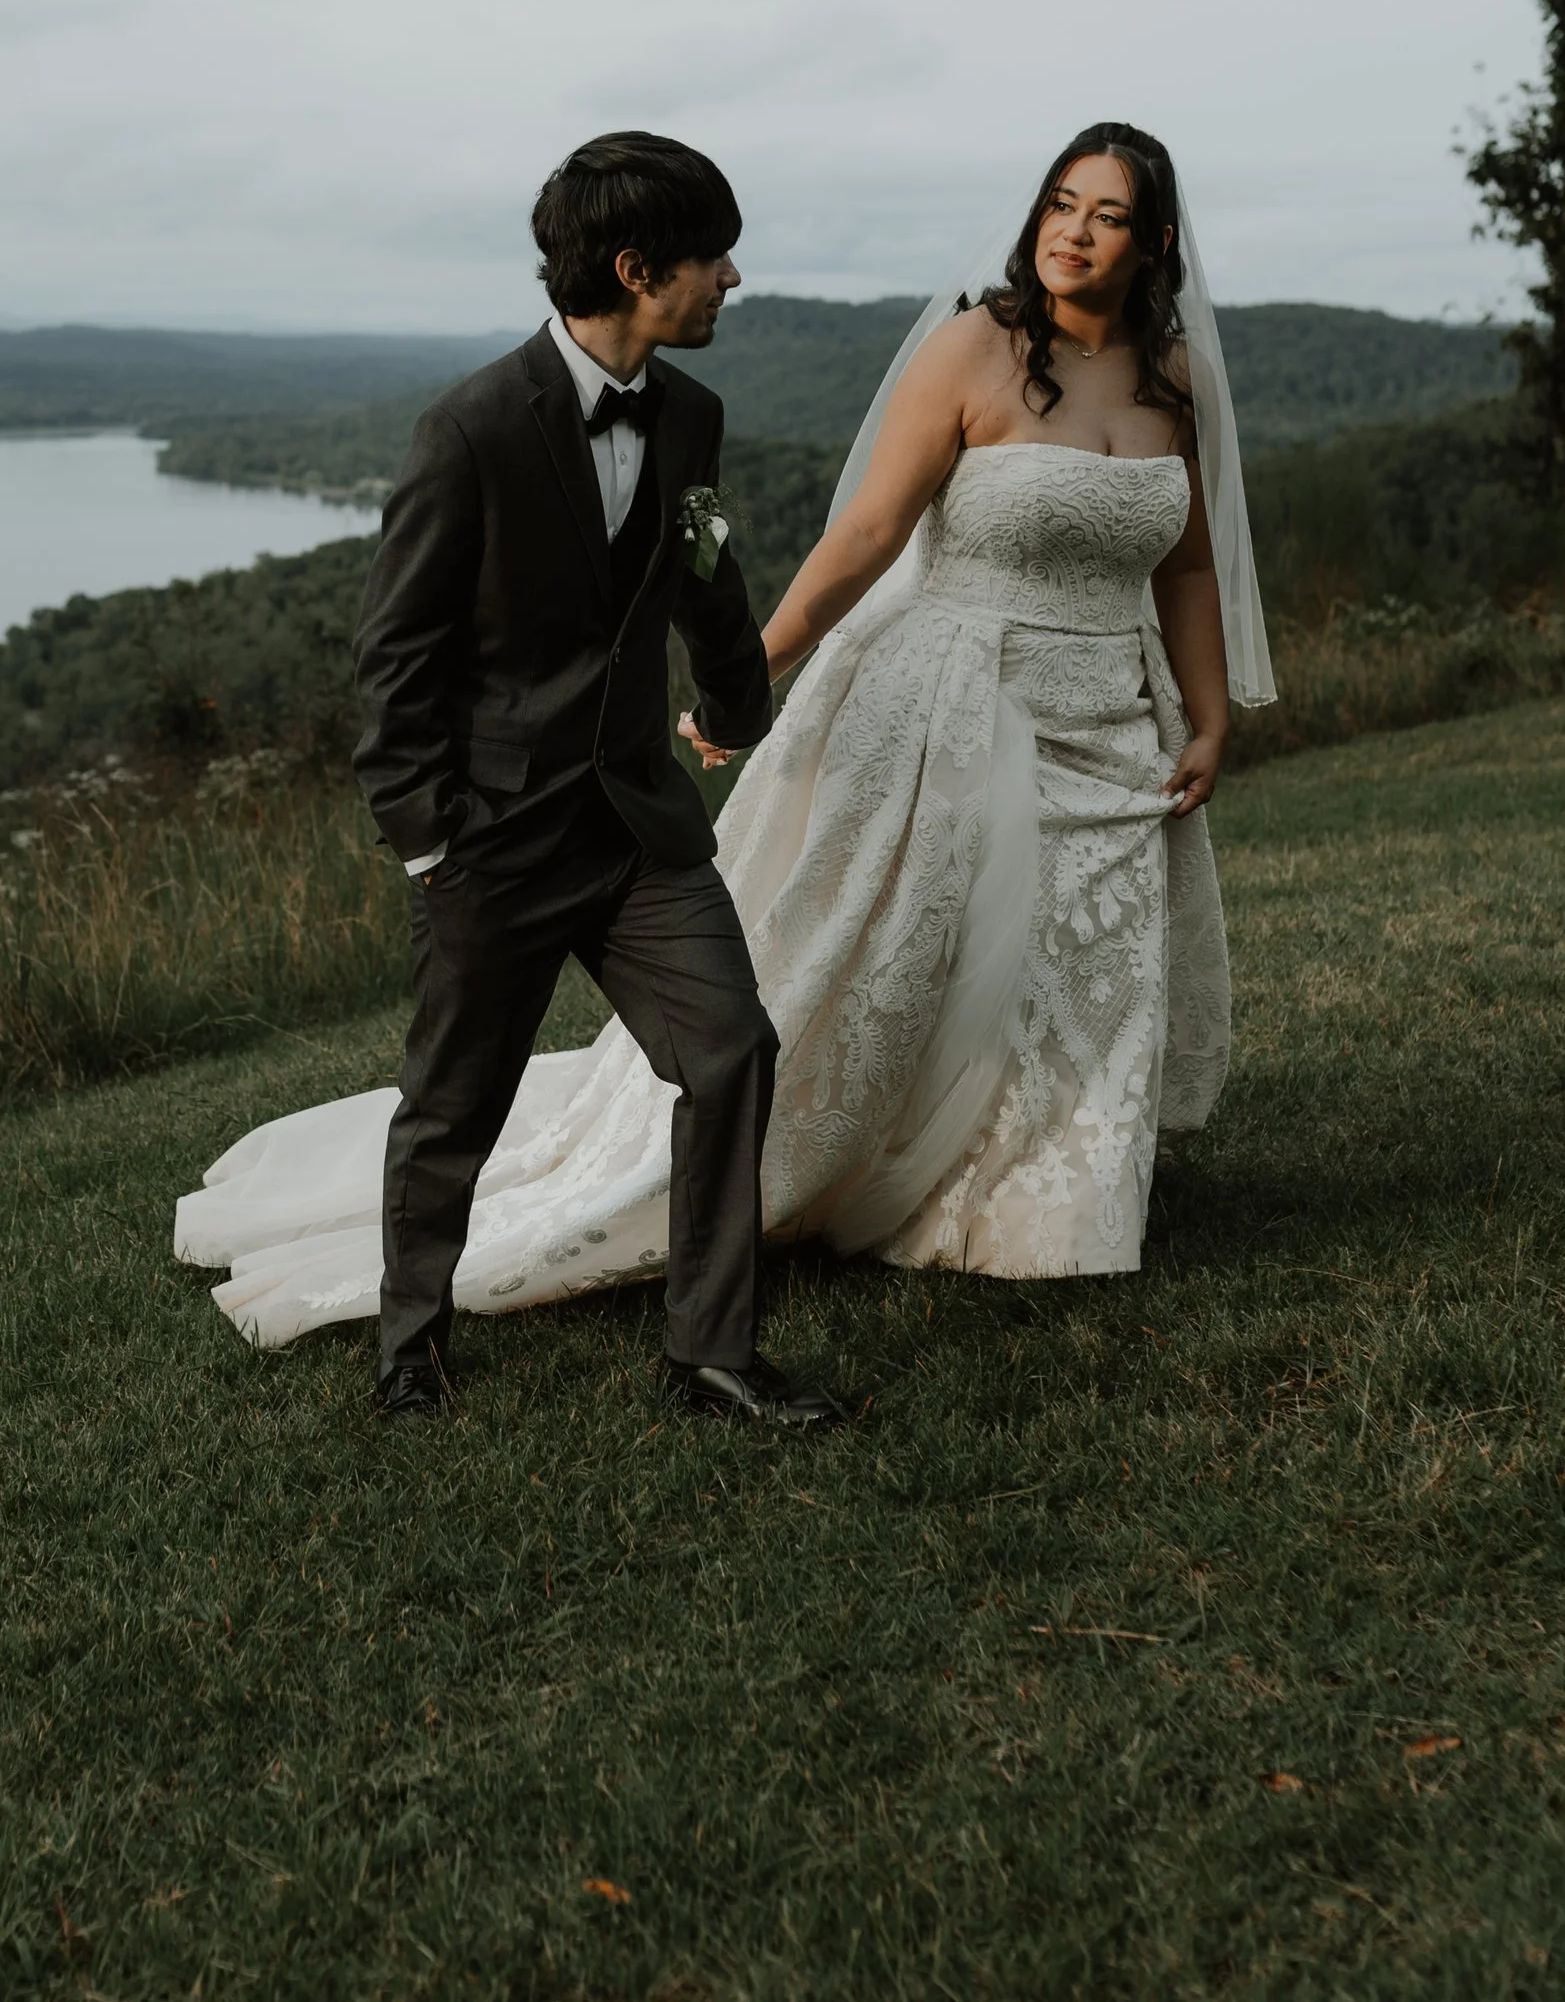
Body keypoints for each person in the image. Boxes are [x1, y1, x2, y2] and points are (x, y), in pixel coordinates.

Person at [172, 118, 1270, 1350]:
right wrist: (444, 830)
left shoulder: (1173, 376)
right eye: (1060, 202)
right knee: (857, 980)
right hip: (935, 703)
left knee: (1028, 977)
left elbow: (1184, 561)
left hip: (1097, 716)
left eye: (1106, 213)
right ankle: (431, 1329)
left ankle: (991, 1219)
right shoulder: (968, 349)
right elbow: (856, 541)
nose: (1072, 230)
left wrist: (1209, 715)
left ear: (1153, 241)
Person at [173, 132, 839, 1429]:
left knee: (728, 1051)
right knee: (453, 1102)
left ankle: (710, 1353)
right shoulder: (472, 427)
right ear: (639, 268)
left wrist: (734, 701)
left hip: (639, 828)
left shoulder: (692, 416)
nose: (734, 278)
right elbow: (395, 656)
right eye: (714, 257)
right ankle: (409, 1345)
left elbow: (703, 575)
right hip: (493, 841)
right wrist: (430, 841)